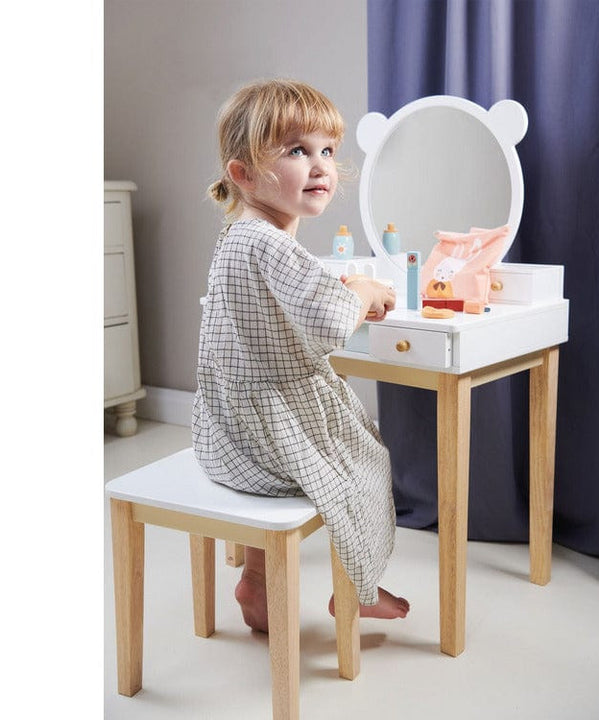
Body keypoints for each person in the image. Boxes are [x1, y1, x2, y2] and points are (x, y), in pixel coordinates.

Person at [192, 79, 410, 632]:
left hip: (224, 433)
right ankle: (358, 589)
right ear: (243, 174)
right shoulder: (272, 242)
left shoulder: (238, 236)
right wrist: (363, 293)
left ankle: (256, 580)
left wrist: (338, 290)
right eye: (296, 150)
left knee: (343, 455)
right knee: (366, 463)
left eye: (327, 151)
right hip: (268, 439)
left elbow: (269, 316)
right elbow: (332, 324)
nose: (320, 167)